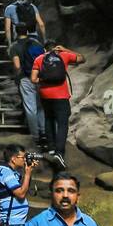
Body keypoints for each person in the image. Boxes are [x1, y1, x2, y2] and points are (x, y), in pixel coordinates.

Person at [31, 41, 85, 172]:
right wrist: (65, 49)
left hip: (45, 95)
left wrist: (44, 81)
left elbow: (33, 79)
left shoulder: (39, 59)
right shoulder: (64, 56)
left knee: (49, 119)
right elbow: (82, 58)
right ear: (56, 49)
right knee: (62, 123)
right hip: (61, 96)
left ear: (44, 49)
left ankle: (51, 148)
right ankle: (59, 153)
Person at [9, 31, 47, 149]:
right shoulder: (36, 44)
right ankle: (44, 132)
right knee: (40, 106)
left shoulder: (14, 47)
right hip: (40, 78)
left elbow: (17, 65)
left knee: (31, 108)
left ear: (16, 32)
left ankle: (35, 137)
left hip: (26, 78)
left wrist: (18, 76)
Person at [0, 144, 33, 226]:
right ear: (14, 159)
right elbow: (21, 193)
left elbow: (23, 187)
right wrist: (27, 174)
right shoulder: (6, 173)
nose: (24, 160)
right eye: (23, 157)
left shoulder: (8, 171)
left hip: (14, 222)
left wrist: (28, 171)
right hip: (13, 224)